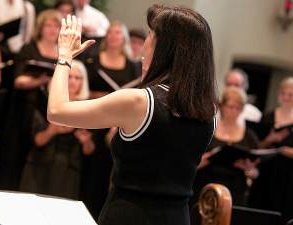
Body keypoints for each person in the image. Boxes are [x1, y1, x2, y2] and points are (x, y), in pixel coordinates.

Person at [47, 4, 216, 225]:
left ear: (163, 47)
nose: (144, 45)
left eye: (149, 35)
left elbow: (56, 111)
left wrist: (64, 57)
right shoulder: (209, 110)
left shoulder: (138, 101)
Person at [0, 9, 61, 190]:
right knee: (12, 158)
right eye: (48, 25)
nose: (52, 29)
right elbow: (18, 80)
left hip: (46, 112)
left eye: (56, 26)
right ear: (40, 28)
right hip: (23, 110)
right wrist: (40, 80)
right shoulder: (29, 48)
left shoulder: (63, 53)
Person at [81, 20, 138, 219]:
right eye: (111, 32)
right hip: (97, 117)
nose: (114, 36)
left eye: (118, 33)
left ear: (124, 38)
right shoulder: (94, 60)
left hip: (118, 123)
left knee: (111, 167)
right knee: (92, 171)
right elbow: (84, 89)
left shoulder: (132, 66)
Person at [19, 60, 94, 199]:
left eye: (77, 78)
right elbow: (38, 141)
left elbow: (89, 150)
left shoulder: (87, 108)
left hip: (68, 171)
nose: (72, 81)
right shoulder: (46, 103)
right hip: (40, 165)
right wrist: (52, 130)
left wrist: (85, 141)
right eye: (69, 77)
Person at [192, 87, 259, 208]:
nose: (233, 111)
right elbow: (192, 163)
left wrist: (249, 169)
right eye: (230, 106)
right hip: (205, 184)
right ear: (222, 106)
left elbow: (255, 172)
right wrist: (209, 157)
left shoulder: (249, 136)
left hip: (234, 189)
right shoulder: (209, 128)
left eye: (238, 108)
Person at [248, 77, 293, 223]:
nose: (286, 98)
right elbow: (255, 147)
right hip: (266, 173)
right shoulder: (268, 117)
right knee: (261, 215)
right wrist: (271, 140)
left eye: (291, 95)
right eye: (283, 94)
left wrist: (286, 151)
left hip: (288, 177)